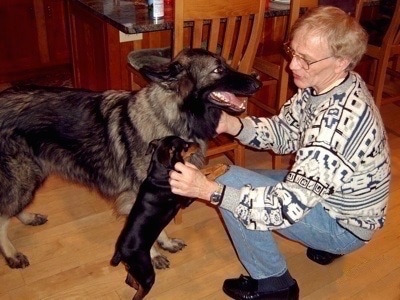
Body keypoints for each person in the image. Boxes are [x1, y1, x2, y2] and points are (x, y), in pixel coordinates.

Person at [169, 6, 390, 300]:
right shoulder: (328, 85)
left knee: (229, 186)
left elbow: (285, 208)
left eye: (306, 60)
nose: (293, 66)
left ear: (340, 62)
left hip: (345, 226)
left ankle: (275, 285)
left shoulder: (335, 126)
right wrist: (231, 124)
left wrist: (207, 190)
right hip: (339, 201)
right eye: (293, 52)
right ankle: (322, 246)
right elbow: (285, 133)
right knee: (240, 183)